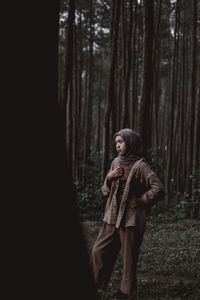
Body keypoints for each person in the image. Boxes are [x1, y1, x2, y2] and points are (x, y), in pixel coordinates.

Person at [90, 128, 165, 300]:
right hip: (112, 216)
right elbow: (104, 191)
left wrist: (141, 200)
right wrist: (109, 178)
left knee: (129, 258)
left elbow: (158, 188)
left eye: (121, 141)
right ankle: (95, 283)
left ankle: (126, 292)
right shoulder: (116, 162)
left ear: (130, 143)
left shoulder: (140, 165)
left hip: (130, 218)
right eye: (116, 142)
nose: (117, 145)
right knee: (98, 251)